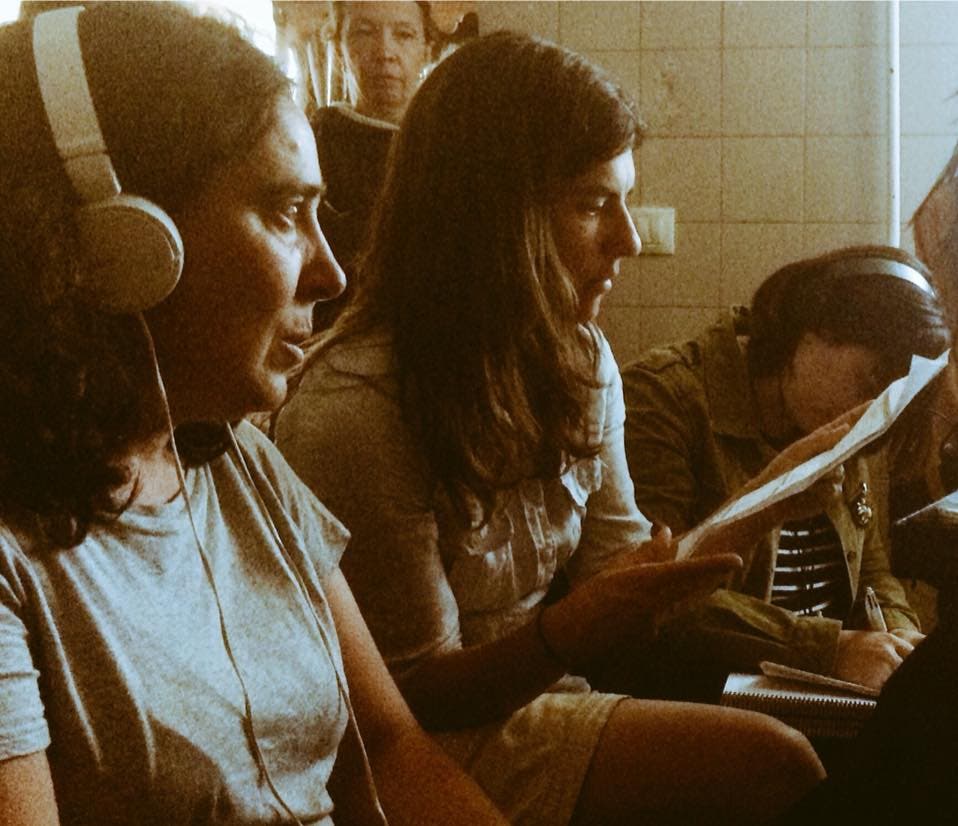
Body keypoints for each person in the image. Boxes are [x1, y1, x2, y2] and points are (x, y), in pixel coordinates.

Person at [276, 30, 829, 826]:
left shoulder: (580, 359)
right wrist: (564, 635)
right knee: (772, 763)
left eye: (625, 201)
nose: (628, 238)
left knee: (800, 749)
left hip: (538, 696)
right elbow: (406, 698)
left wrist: (770, 496)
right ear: (492, 218)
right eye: (593, 204)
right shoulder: (359, 405)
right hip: (412, 747)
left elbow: (620, 578)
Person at [0, 4, 508, 825]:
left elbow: (389, 750)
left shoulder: (238, 459)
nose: (331, 274)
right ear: (120, 243)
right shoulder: (14, 555)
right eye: (282, 211)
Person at [619, 246, 951, 701]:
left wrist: (898, 638)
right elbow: (646, 600)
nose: (872, 412)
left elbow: (871, 570)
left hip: (817, 694)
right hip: (700, 696)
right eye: (870, 381)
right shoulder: (662, 398)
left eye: (890, 402)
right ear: (813, 328)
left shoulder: (848, 415)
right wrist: (830, 648)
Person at [311, 1, 436, 330]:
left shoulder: (452, 145)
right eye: (364, 33)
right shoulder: (314, 145)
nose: (385, 53)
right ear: (339, 49)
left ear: (427, 50)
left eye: (404, 35)